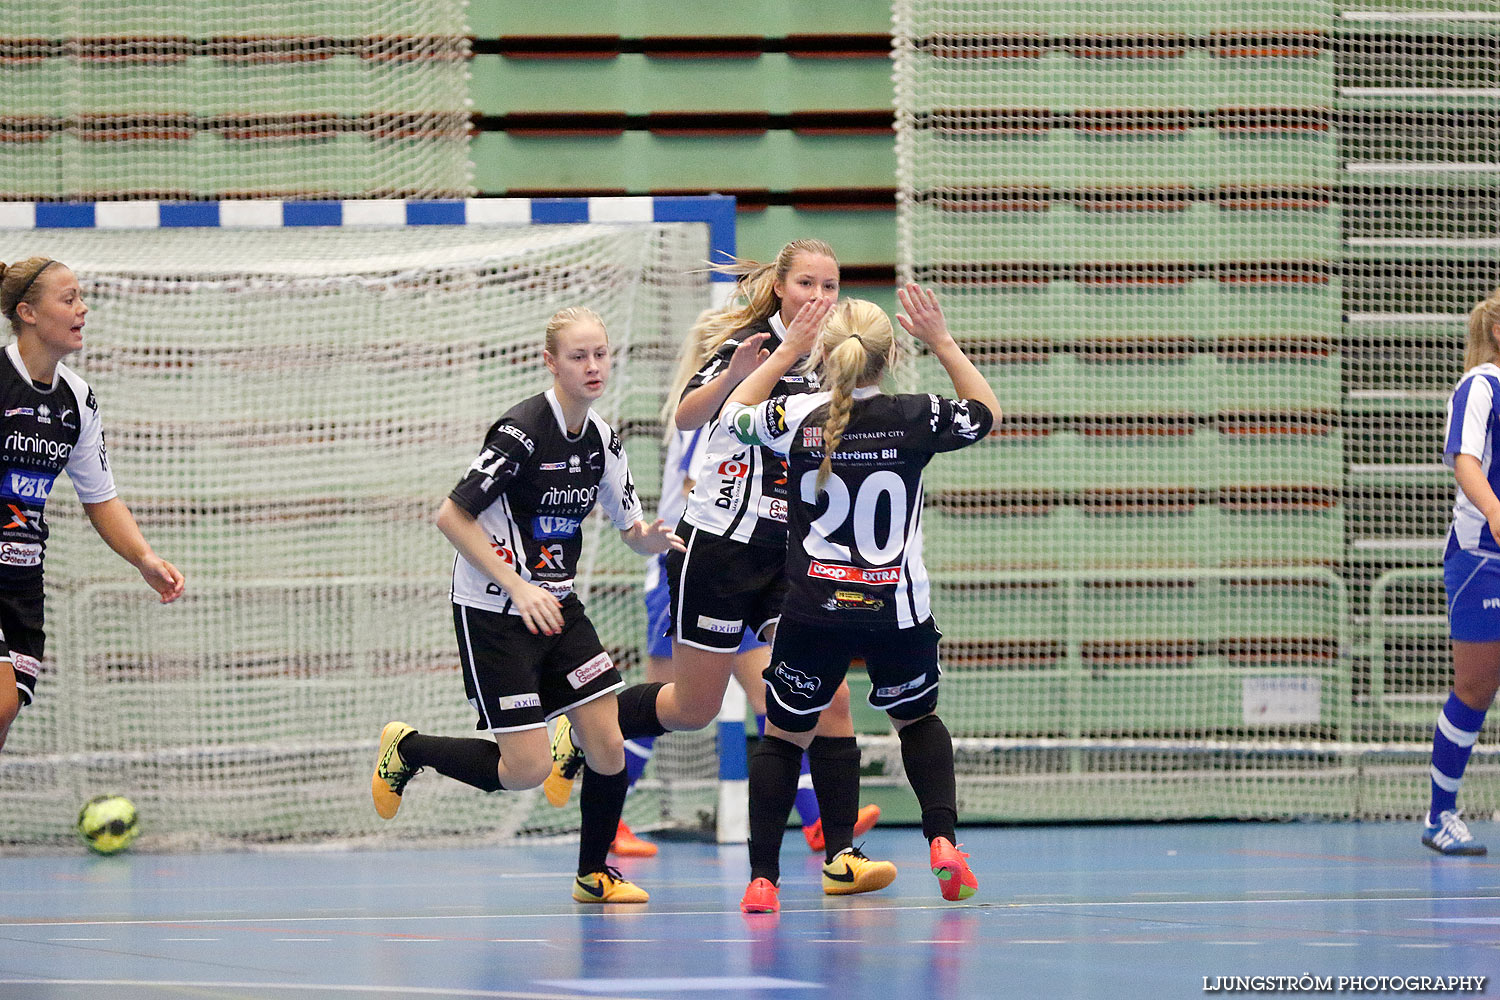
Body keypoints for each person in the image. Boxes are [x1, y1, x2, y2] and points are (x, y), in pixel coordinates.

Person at [547, 241, 884, 887]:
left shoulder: (838, 355)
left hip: (791, 556)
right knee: (693, 707)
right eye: (807, 283)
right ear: (781, 287)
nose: (819, 296)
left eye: (830, 285)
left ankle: (841, 856)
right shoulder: (753, 345)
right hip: (722, 546)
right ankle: (589, 726)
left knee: (828, 694)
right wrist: (755, 366)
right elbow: (689, 414)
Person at [371, 306, 683, 903]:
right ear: (551, 362)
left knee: (609, 741)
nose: (593, 367)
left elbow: (628, 524)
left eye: (601, 354)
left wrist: (651, 538)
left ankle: (594, 874)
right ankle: (406, 748)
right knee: (526, 771)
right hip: (494, 613)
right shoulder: (518, 432)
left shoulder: (604, 442)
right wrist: (516, 585)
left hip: (558, 608)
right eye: (578, 356)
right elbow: (450, 516)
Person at [721, 285, 999, 912]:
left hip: (814, 609)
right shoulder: (918, 414)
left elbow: (733, 415)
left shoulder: (793, 418)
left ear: (822, 352)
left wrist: (784, 350)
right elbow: (984, 411)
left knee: (784, 737)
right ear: (890, 352)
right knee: (917, 722)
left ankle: (764, 879)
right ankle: (942, 842)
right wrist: (944, 341)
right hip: (896, 609)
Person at [606, 309, 879, 858]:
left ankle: (819, 822)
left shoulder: (753, 409)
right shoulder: (709, 418)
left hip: (750, 569)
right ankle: (595, 759)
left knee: (772, 694)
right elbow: (703, 492)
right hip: (695, 563)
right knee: (687, 706)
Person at [0, 257, 184, 753]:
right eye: (69, 299)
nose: (84, 308)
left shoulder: (77, 399)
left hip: (21, 580)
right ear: (29, 313)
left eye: (81, 297)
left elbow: (100, 496)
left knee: (6, 709)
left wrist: (144, 558)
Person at [1429, 289, 1500, 856]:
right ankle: (1440, 813)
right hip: (1483, 558)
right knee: (1477, 686)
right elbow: (1465, 461)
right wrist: (1497, 513)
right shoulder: (1480, 385)